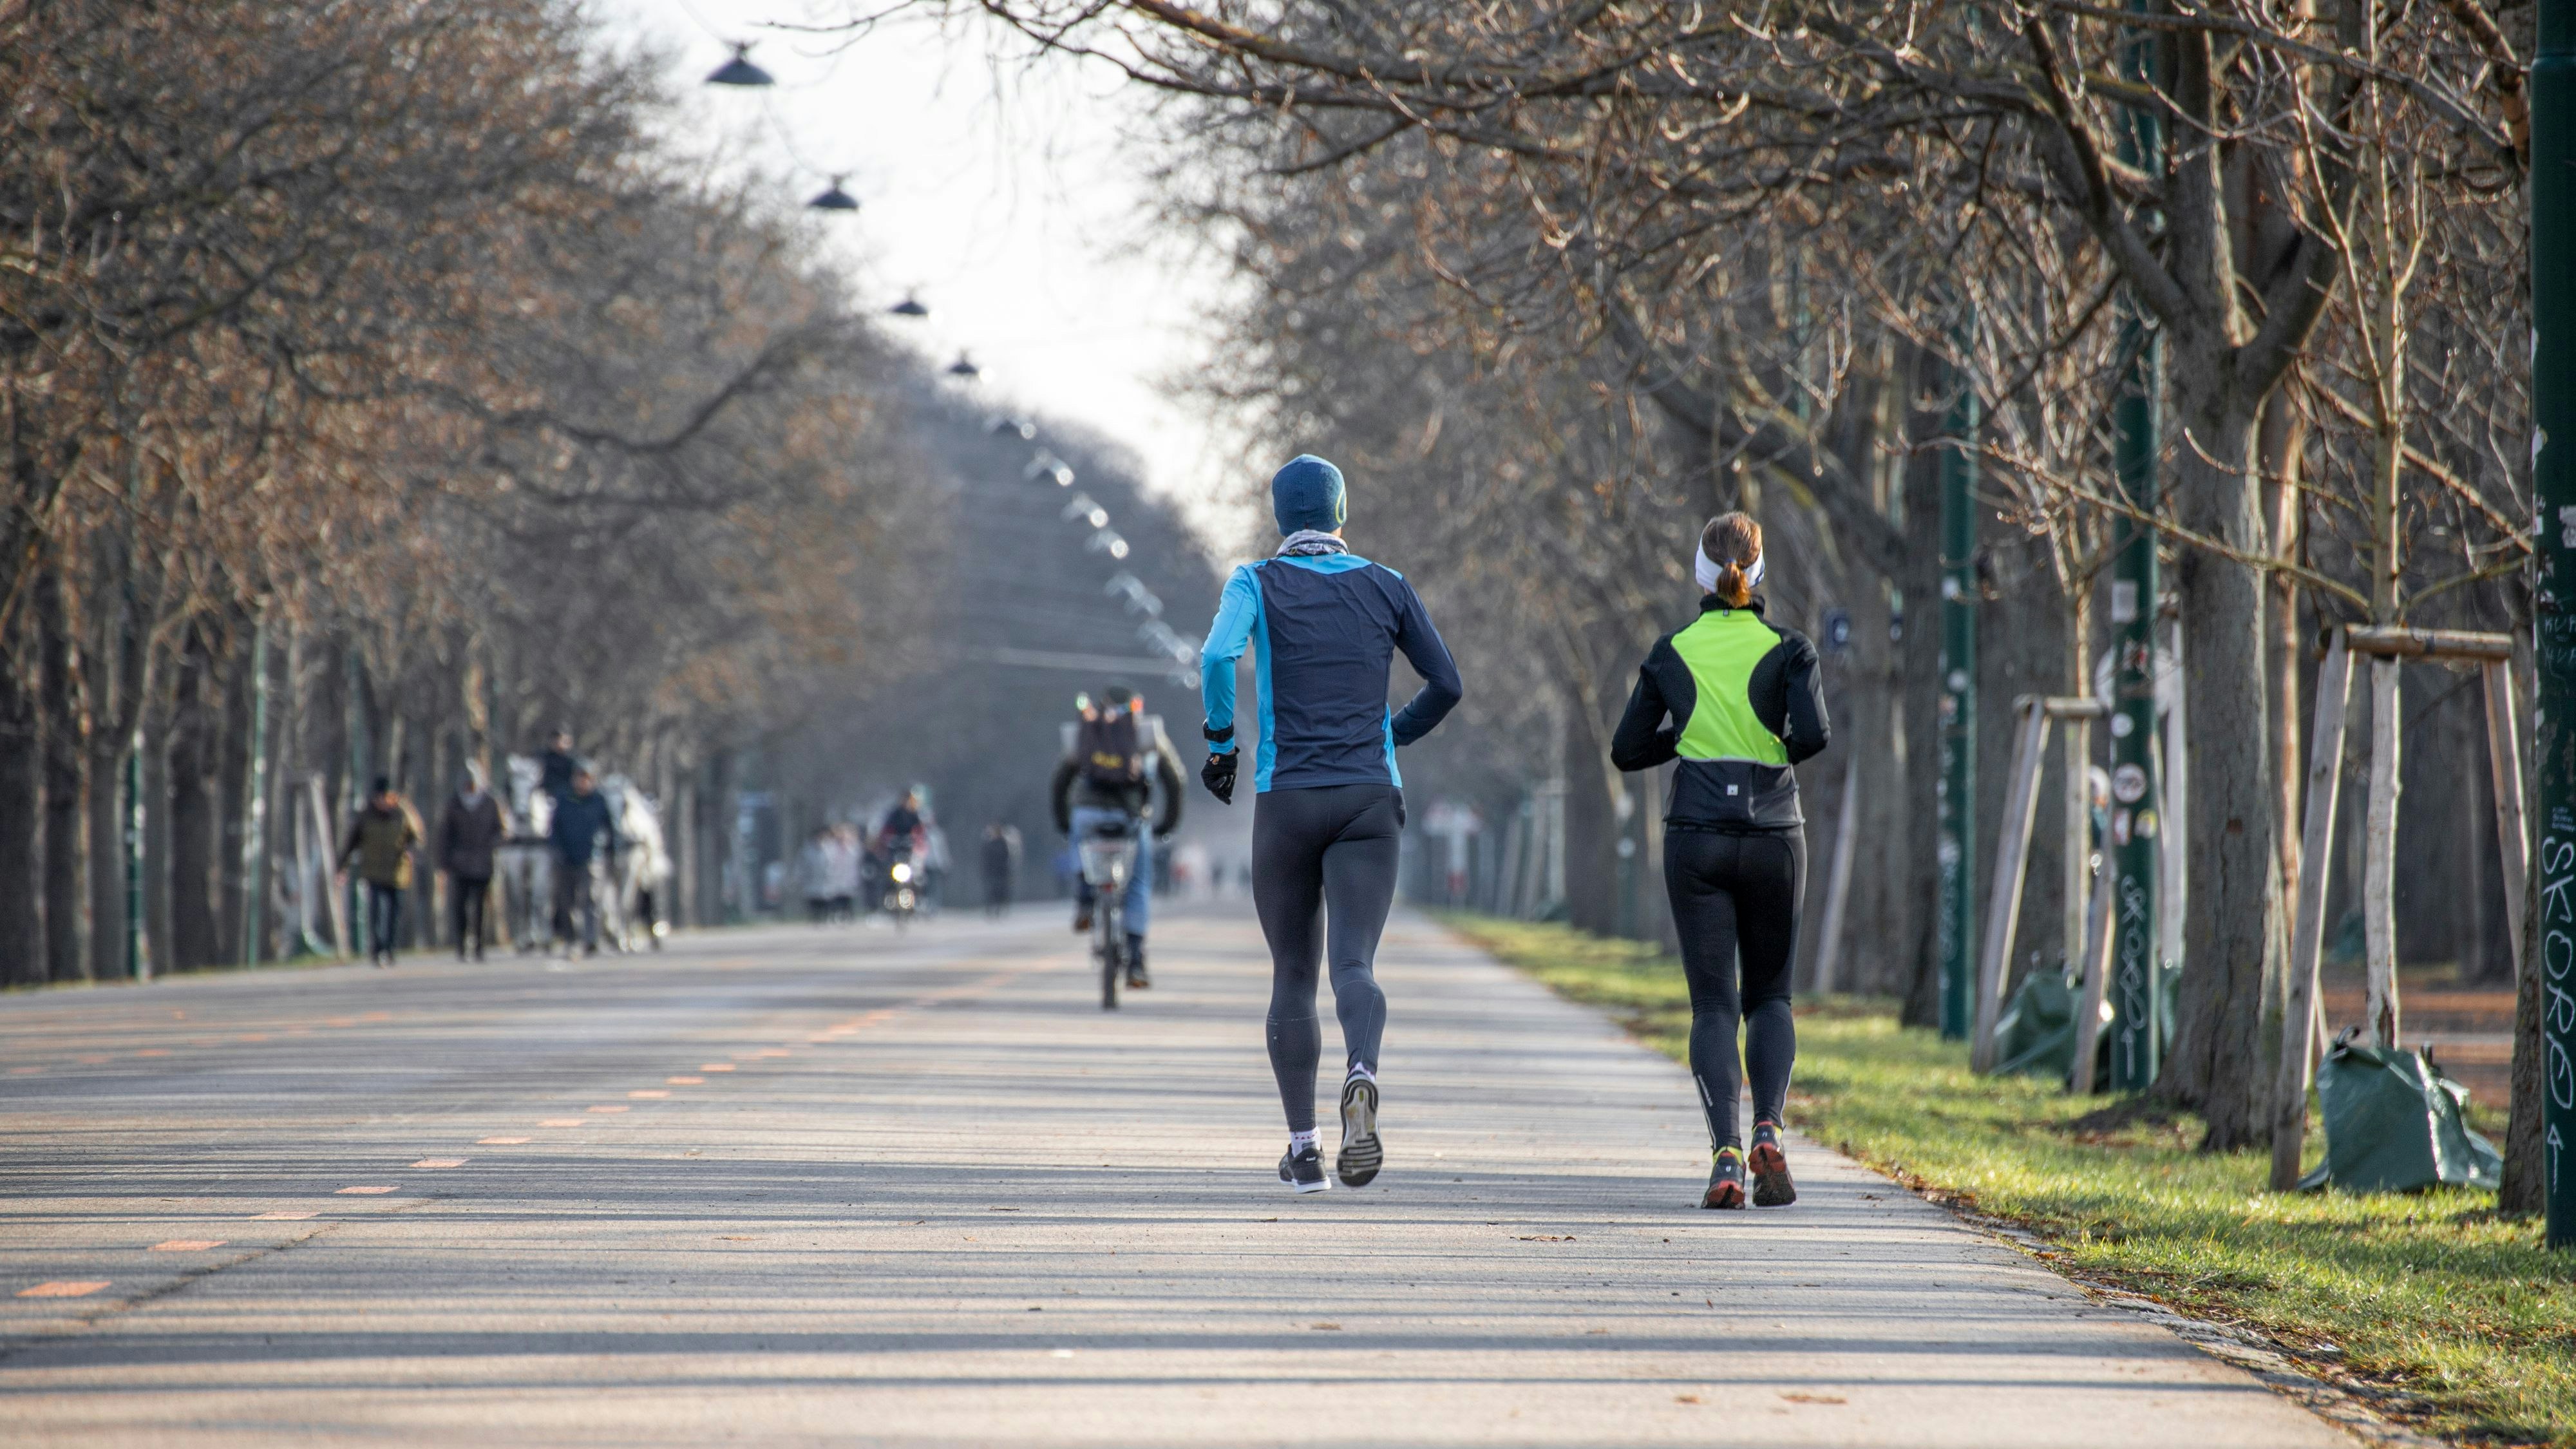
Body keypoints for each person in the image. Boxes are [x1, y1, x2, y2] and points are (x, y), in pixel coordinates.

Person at [1199, 454, 1462, 1193]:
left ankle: (1305, 1151)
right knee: (1354, 967)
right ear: (1341, 513)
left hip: (1286, 799)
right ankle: (1362, 1072)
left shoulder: (1254, 581)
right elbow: (1447, 683)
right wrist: (1391, 737)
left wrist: (1221, 744)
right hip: (1367, 801)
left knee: (1292, 973)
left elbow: (1216, 656)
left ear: (1280, 516)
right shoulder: (1387, 584)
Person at [1609, 512, 1829, 1210]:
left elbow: (1626, 749)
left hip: (1696, 836)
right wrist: (1771, 751)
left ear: (1700, 576)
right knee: (1771, 998)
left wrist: (1685, 737)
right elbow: (1815, 735)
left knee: (1713, 1006)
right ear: (1757, 574)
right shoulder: (1790, 649)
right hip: (1774, 837)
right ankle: (1769, 1126)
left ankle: (1727, 1155)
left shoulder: (1672, 651)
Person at [1051, 686, 1184, 987]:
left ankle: (1085, 900)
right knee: (1137, 883)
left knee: (1080, 840)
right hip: (1131, 819)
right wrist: (1167, 825)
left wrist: (1064, 824)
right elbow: (1176, 781)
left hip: (1088, 815)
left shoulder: (1090, 730)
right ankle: (1136, 960)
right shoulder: (1146, 736)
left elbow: (1060, 782)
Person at [338, 777, 421, 968]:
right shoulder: (366, 816)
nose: (383, 801)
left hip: (397, 872)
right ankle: (377, 950)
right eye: (380, 798)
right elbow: (352, 843)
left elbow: (416, 837)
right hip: (374, 871)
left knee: (394, 913)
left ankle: (390, 949)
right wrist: (342, 867)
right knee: (376, 911)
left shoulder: (403, 813)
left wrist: (410, 851)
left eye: (387, 797)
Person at [437, 764, 506, 961]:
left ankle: (479, 945)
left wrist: (493, 845)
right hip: (460, 864)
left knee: (480, 908)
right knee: (460, 906)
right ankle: (461, 944)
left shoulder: (490, 803)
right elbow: (445, 835)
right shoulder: (454, 804)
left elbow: (500, 830)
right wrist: (444, 862)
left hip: (483, 863)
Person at [549, 765, 619, 956]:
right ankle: (571, 939)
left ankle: (591, 939)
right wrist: (557, 851)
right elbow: (554, 828)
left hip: (591, 858)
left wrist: (611, 851)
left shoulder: (599, 800)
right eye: (580, 777)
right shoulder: (564, 799)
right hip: (566, 859)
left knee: (591, 899)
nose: (583, 782)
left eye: (586, 778)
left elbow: (610, 828)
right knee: (567, 902)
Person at [980, 822, 1020, 916]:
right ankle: (991, 909)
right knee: (991, 891)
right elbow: (985, 859)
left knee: (1001, 892)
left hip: (1001, 872)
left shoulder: (1004, 844)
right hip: (992, 872)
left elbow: (1008, 858)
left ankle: (999, 909)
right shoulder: (989, 844)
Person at [798, 828, 835, 925]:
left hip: (828, 882)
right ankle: (815, 921)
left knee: (826, 903)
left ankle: (826, 920)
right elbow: (802, 866)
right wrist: (801, 878)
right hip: (812, 882)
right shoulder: (807, 851)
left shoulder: (831, 849)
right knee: (814, 904)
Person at [537, 728, 579, 804]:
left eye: (561, 740)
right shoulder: (544, 757)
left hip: (566, 795)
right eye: (555, 740)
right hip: (545, 793)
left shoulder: (572, 760)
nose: (558, 743)